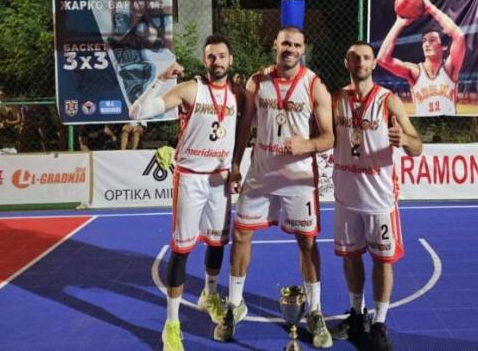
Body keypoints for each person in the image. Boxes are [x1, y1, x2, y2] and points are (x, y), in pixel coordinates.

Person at [214, 26, 335, 348]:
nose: (290, 49)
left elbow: (329, 137)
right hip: (261, 173)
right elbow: (243, 127)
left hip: (298, 178)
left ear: (303, 49)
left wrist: (307, 144)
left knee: (307, 241)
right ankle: (235, 304)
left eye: (296, 45)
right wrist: (236, 164)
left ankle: (315, 310)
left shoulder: (314, 84)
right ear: (275, 45)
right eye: (285, 43)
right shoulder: (257, 81)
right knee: (241, 234)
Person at [129, 34, 238, 351]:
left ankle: (209, 294)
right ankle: (172, 325)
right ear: (205, 60)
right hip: (190, 179)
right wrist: (160, 79)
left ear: (230, 60)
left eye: (221, 55)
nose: (216, 61)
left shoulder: (237, 94)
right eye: (211, 56)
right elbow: (137, 112)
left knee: (217, 242)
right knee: (181, 249)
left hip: (219, 180)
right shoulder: (191, 89)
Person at [330, 42, 423, 351]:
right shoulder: (336, 99)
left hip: (379, 198)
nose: (360, 62)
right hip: (345, 197)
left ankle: (380, 323)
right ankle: (357, 315)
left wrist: (405, 138)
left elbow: (418, 146)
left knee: (383, 261)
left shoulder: (388, 100)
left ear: (373, 63)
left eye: (366, 57)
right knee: (351, 257)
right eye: (354, 57)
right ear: (346, 62)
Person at [377, 0, 465, 116]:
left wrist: (431, 8)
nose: (426, 44)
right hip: (423, 123)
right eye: (424, 41)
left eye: (432, 40)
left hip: (448, 122)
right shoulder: (415, 71)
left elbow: (459, 36)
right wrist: (399, 23)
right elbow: (382, 59)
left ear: (444, 47)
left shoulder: (450, 69)